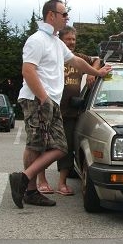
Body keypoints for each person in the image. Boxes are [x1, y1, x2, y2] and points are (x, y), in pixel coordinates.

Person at [9, 0, 111, 208]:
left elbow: (77, 61)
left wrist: (97, 72)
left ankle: (24, 179)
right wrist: (44, 98)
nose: (67, 17)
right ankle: (28, 189)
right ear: (51, 16)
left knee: (57, 147)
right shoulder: (37, 40)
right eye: (64, 14)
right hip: (37, 99)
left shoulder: (55, 41)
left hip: (50, 101)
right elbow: (27, 71)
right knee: (37, 145)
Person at [37, 25, 99, 196]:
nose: (71, 43)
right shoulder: (52, 57)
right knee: (43, 145)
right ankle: (41, 181)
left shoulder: (78, 58)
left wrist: (93, 73)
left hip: (71, 112)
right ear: (60, 40)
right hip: (49, 109)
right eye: (68, 39)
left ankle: (62, 184)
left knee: (67, 148)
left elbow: (97, 58)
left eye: (73, 40)